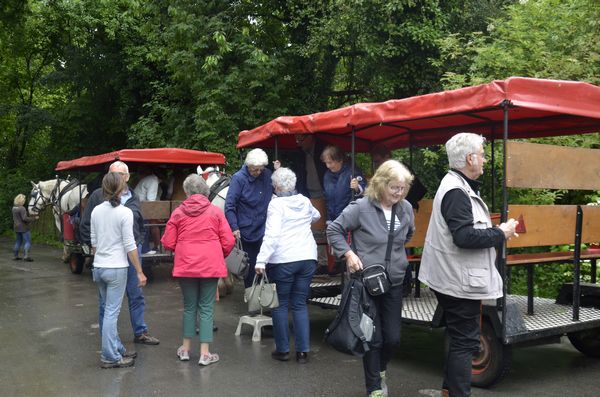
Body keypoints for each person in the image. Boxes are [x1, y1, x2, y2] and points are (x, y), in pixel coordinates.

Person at [419, 132, 519, 397]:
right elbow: (464, 237)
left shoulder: (457, 185)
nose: (485, 159)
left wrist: (497, 230)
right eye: (482, 155)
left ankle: (449, 391)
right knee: (465, 342)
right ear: (470, 158)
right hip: (458, 280)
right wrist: (501, 234)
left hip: (454, 277)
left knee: (459, 339)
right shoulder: (456, 191)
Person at [327, 160, 416, 397]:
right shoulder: (361, 207)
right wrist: (348, 254)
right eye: (394, 187)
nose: (399, 192)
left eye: (402, 188)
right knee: (372, 337)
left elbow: (408, 235)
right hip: (365, 283)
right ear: (380, 184)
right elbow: (333, 230)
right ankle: (374, 388)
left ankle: (381, 369)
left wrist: (394, 258)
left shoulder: (406, 208)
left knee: (393, 339)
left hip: (394, 281)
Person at [80, 161, 160, 346]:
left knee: (136, 294)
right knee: (106, 303)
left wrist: (138, 241)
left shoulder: (134, 196)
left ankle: (140, 332)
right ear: (108, 177)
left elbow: (139, 224)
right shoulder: (97, 197)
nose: (117, 178)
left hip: (132, 251)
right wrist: (97, 250)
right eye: (113, 174)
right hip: (109, 255)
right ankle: (109, 340)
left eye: (121, 175)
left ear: (127, 177)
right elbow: (85, 226)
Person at [161, 174, 235, 365]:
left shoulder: (178, 212)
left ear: (187, 192)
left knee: (189, 307)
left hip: (186, 265)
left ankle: (185, 350)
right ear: (205, 190)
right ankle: (205, 353)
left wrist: (183, 249)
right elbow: (228, 241)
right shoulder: (215, 212)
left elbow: (168, 242)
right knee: (207, 308)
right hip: (210, 265)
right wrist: (218, 255)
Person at [254, 167, 321, 364]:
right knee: (300, 304)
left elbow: (272, 236)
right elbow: (316, 216)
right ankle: (303, 352)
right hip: (308, 257)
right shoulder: (304, 201)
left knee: (281, 305)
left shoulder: (276, 205)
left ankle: (283, 350)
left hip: (284, 259)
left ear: (275, 186)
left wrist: (261, 260)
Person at [91, 172, 147, 368]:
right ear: (122, 189)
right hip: (116, 268)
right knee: (111, 314)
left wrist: (99, 259)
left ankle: (117, 348)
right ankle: (110, 357)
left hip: (99, 267)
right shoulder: (125, 212)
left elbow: (94, 243)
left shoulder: (96, 210)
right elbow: (130, 245)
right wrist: (139, 271)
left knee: (107, 310)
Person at [371, 142, 428, 297]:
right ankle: (403, 284)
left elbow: (418, 189)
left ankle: (404, 284)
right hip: (399, 211)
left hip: (402, 211)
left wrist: (403, 202)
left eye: (378, 161)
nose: (377, 165)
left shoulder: (399, 170)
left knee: (402, 249)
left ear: (386, 157)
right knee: (401, 248)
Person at [224, 148, 274, 289]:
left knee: (269, 267)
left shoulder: (268, 174)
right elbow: (230, 206)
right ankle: (254, 302)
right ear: (248, 166)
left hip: (266, 229)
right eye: (254, 170)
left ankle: (268, 299)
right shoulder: (239, 178)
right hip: (247, 231)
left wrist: (278, 170)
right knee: (250, 268)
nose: (258, 173)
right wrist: (234, 227)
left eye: (260, 169)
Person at [320, 145, 366, 222]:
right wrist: (329, 219)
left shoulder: (352, 172)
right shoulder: (327, 175)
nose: (327, 166)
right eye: (326, 163)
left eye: (330, 162)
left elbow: (365, 191)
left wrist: (357, 188)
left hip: (350, 219)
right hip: (334, 220)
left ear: (340, 160)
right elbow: (328, 200)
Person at [134, 167, 162, 254]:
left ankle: (144, 248)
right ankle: (145, 249)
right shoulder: (153, 180)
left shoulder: (148, 179)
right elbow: (151, 200)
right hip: (141, 207)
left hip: (138, 205)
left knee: (143, 227)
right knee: (145, 227)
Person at [294, 134, 328, 199]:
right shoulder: (300, 152)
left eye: (301, 141)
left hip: (323, 193)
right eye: (297, 141)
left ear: (310, 137)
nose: (299, 144)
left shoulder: (323, 149)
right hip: (307, 193)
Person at [12, 194, 38, 261]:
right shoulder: (22, 208)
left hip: (16, 227)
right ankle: (26, 256)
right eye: (24, 200)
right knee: (27, 241)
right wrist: (34, 218)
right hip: (24, 228)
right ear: (21, 201)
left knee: (18, 242)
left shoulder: (14, 208)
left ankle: (15, 256)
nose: (24, 201)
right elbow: (24, 218)